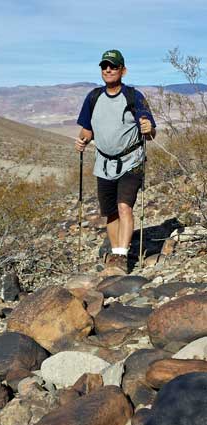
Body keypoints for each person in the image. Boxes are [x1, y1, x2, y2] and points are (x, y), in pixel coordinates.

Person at [75, 49, 156, 274]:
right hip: (104, 163)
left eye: (113, 66)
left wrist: (149, 128)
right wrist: (82, 141)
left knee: (124, 206)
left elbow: (149, 131)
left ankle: (121, 257)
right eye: (104, 66)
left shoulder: (134, 96)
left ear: (123, 70)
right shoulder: (93, 97)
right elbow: (87, 130)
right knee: (111, 211)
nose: (108, 70)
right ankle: (115, 251)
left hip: (132, 161)